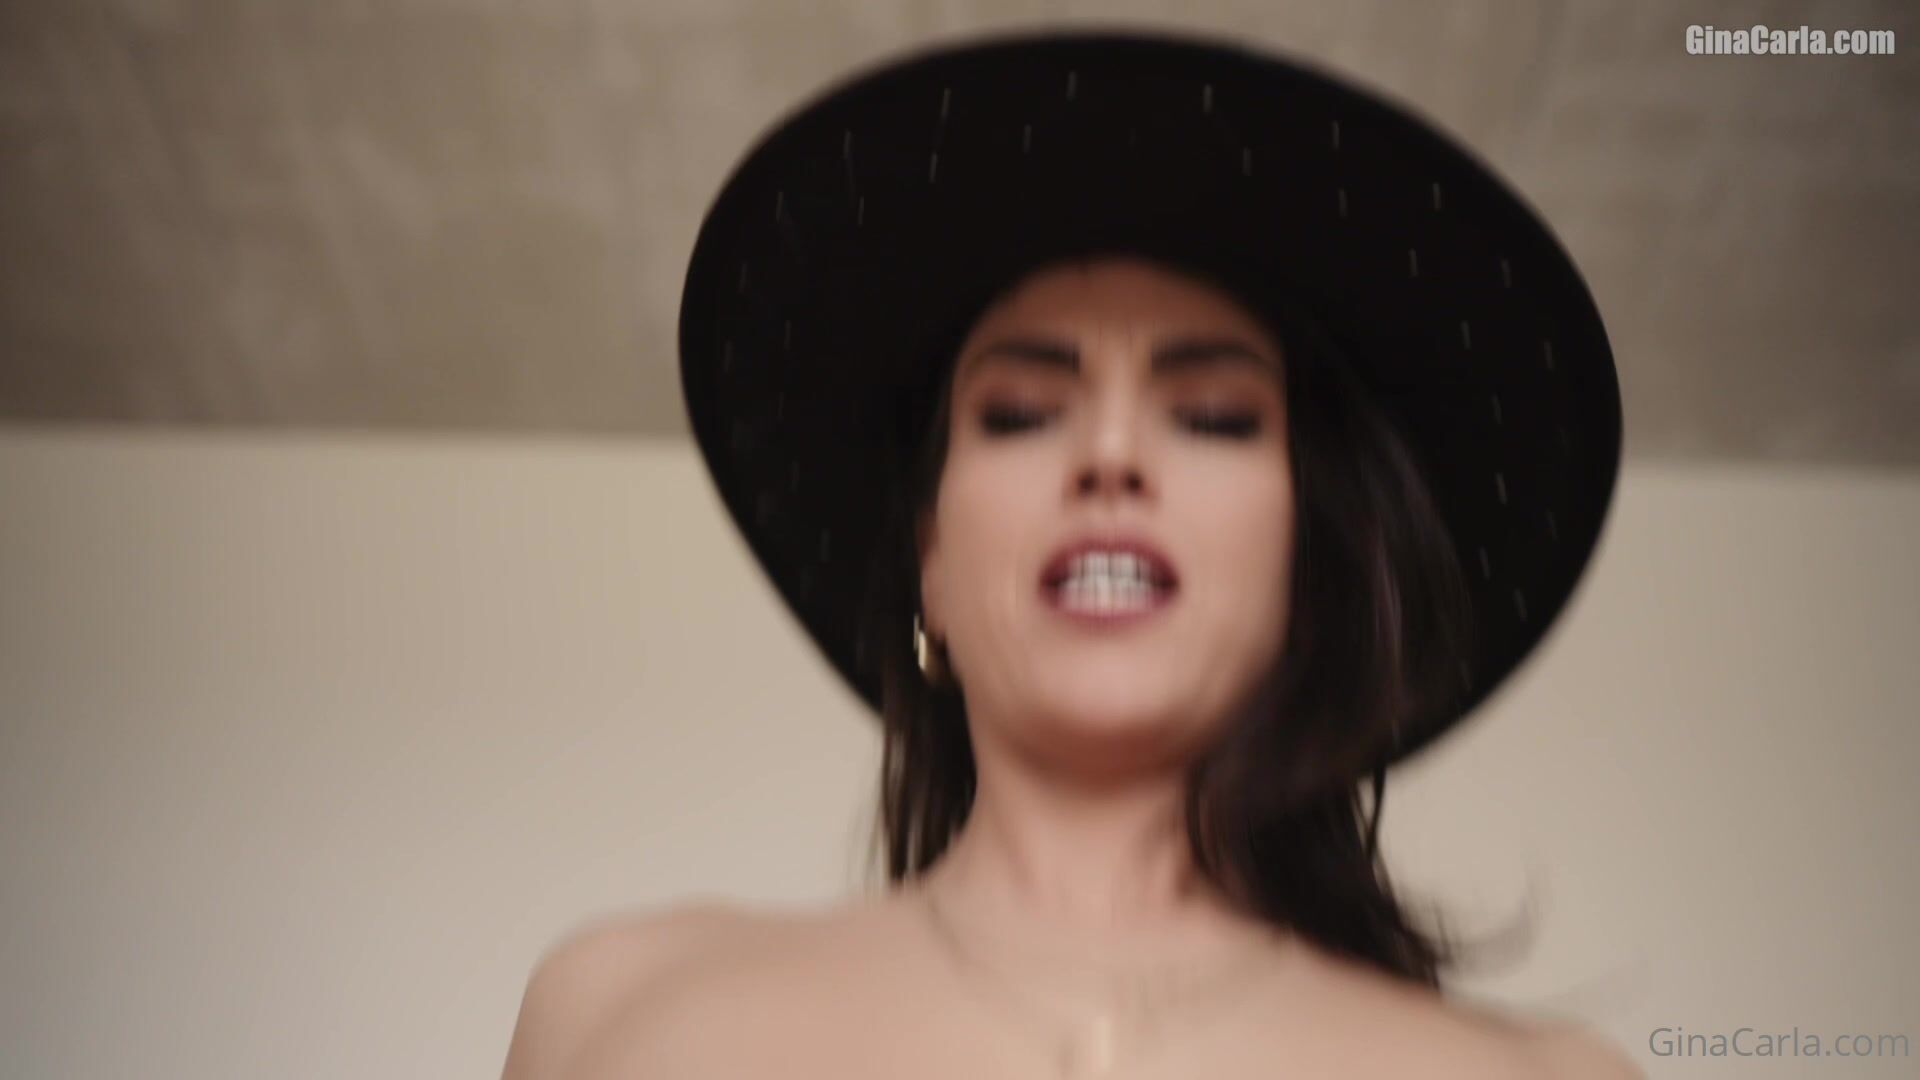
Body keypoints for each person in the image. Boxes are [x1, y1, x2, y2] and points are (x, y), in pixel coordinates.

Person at [502, 28, 1639, 1080]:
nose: (1108, 455)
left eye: (1214, 418)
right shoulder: (618, 1014)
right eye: (1019, 414)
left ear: (1314, 563)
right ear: (931, 562)